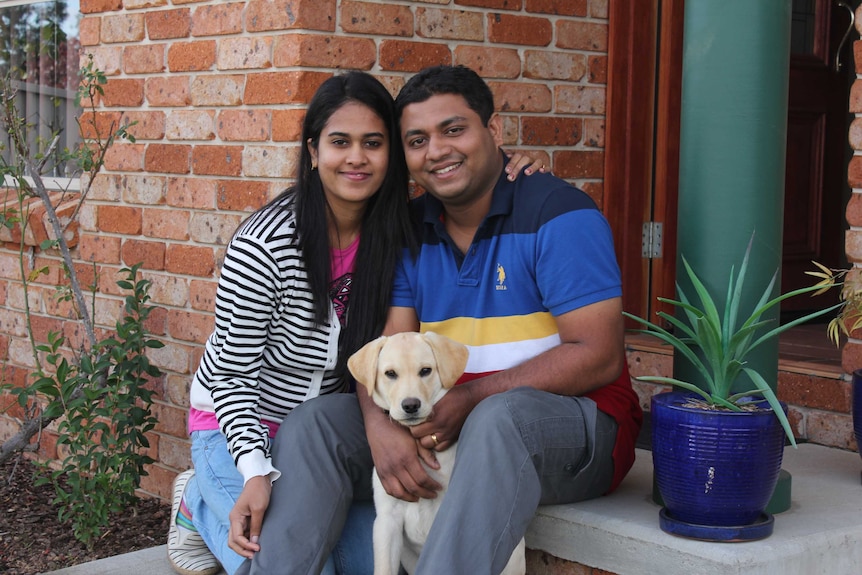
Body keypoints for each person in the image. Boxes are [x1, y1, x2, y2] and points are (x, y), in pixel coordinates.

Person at [232, 64, 643, 575]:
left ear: (492, 132)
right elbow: (389, 345)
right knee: (316, 424)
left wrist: (471, 397)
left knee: (499, 418)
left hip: (576, 430)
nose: (437, 151)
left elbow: (599, 356)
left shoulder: (558, 215)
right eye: (417, 139)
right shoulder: (411, 229)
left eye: (454, 130)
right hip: (442, 424)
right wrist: (378, 424)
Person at [167, 70, 543, 575]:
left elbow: (472, 179)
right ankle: (197, 501)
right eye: (339, 142)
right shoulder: (265, 248)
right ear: (313, 150)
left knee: (379, 561)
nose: (357, 158)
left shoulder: (401, 229)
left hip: (321, 438)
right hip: (239, 429)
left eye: (374, 143)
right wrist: (254, 472)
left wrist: (519, 167)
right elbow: (232, 377)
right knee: (298, 564)